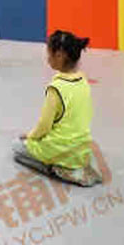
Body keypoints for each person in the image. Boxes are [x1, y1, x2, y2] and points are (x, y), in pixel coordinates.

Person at [12, 30, 103, 187]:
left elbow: (44, 126)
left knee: (16, 147)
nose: (48, 58)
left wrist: (30, 136)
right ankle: (78, 165)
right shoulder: (83, 82)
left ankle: (57, 168)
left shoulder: (56, 88)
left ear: (59, 55)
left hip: (58, 150)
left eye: (49, 54)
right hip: (81, 149)